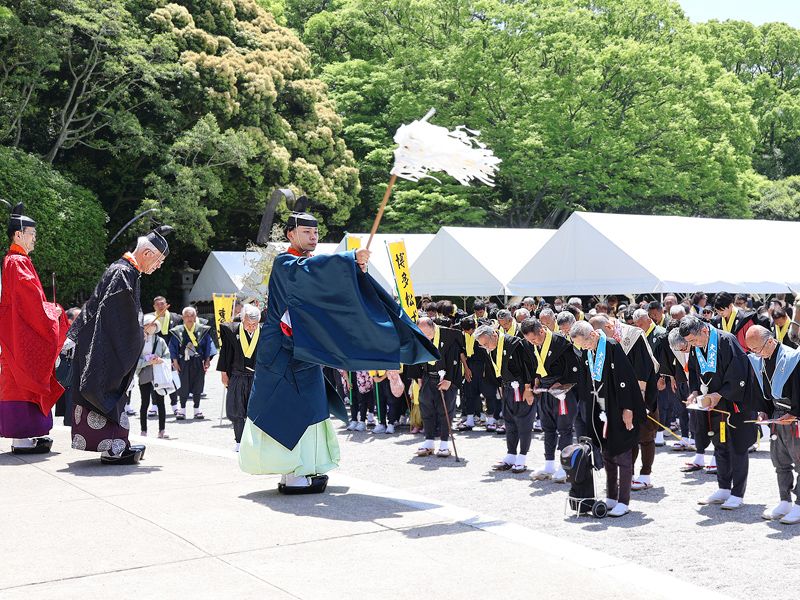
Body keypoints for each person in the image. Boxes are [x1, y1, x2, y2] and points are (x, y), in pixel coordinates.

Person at [238, 205, 436, 494]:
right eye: (307, 232)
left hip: (303, 351)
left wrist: (354, 271)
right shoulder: (285, 263)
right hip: (282, 353)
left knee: (312, 408)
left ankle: (306, 468)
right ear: (291, 234)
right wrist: (349, 259)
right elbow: (312, 272)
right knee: (287, 407)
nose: (313, 237)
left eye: (316, 232)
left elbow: (328, 287)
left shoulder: (307, 264)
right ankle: (291, 474)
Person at [66, 225, 172, 465]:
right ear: (147, 253)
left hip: (104, 345)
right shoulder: (123, 273)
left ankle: (115, 446)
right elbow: (116, 318)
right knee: (109, 393)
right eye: (159, 261)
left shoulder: (124, 270)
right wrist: (138, 332)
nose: (158, 266)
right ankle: (113, 449)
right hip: (105, 348)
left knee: (110, 394)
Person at [0, 202, 68, 454]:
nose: (35, 239)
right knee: (23, 380)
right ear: (18, 235)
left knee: (24, 378)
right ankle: (20, 438)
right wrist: (52, 311)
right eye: (32, 234)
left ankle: (28, 434)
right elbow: (29, 300)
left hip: (17, 330)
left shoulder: (16, 261)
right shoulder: (17, 262)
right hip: (18, 333)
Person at [680, 315, 757, 510]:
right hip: (713, 405)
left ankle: (737, 493)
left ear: (704, 330)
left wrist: (720, 394)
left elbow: (739, 373)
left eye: (694, 340)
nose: (693, 345)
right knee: (720, 444)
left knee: (737, 447)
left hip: (733, 404)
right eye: (690, 342)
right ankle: (723, 488)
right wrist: (694, 391)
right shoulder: (697, 345)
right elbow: (694, 371)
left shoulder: (726, 341)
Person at [570, 321, 645, 518]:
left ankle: (624, 501)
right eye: (580, 345)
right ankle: (611, 496)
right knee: (607, 454)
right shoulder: (588, 352)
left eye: (585, 343)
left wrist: (628, 409)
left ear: (593, 335)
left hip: (617, 406)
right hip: (599, 407)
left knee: (623, 455)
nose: (584, 347)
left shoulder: (611, 346)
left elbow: (625, 379)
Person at [591, 313, 659, 492]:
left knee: (645, 435)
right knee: (628, 437)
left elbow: (643, 368)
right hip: (622, 395)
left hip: (643, 392)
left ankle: (645, 475)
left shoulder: (633, 335)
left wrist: (640, 401)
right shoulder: (605, 341)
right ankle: (629, 474)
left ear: (608, 327)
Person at [745, 325, 800, 524]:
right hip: (777, 416)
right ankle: (784, 501)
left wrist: (794, 412)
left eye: (757, 349)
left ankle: (799, 505)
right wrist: (763, 411)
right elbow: (762, 391)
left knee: (799, 462)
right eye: (751, 350)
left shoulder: (792, 358)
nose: (755, 353)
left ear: (770, 341)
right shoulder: (760, 360)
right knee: (780, 462)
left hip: (794, 417)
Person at [522, 318, 579, 482]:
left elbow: (574, 369)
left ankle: (565, 466)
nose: (532, 342)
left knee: (564, 429)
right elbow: (534, 367)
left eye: (534, 339)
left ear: (541, 330)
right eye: (529, 340)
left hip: (563, 392)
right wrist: (535, 380)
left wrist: (562, 383)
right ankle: (549, 464)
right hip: (545, 391)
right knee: (548, 428)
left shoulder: (561, 343)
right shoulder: (532, 345)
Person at [475, 324, 536, 473]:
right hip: (507, 388)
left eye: (486, 343)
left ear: (494, 335)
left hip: (522, 387)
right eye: (483, 346)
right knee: (509, 422)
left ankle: (522, 457)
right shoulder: (491, 349)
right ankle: (511, 455)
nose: (486, 347)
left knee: (524, 422)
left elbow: (528, 367)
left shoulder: (515, 344)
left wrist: (528, 389)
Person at [414, 317, 463, 457]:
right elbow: (416, 356)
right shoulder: (420, 337)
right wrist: (418, 377)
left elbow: (455, 360)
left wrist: (449, 380)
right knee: (426, 409)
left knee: (445, 410)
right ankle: (429, 440)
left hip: (446, 378)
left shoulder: (449, 336)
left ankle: (444, 443)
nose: (425, 336)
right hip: (428, 377)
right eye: (422, 333)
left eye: (427, 333)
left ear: (433, 327)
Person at [217, 304, 261, 451]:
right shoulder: (231, 331)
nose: (251, 327)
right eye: (248, 324)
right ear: (242, 320)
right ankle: (239, 442)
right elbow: (225, 353)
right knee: (237, 409)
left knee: (256, 410)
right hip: (237, 375)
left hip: (256, 377)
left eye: (254, 324)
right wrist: (224, 373)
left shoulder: (263, 332)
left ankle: (254, 442)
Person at [169, 306, 216, 420]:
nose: (189, 318)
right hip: (183, 362)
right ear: (183, 317)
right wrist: (175, 361)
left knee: (198, 384)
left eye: (191, 316)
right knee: (183, 385)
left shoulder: (202, 330)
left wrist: (207, 360)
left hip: (198, 361)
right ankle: (182, 410)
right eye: (186, 316)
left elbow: (208, 345)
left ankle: (197, 409)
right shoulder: (177, 330)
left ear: (195, 317)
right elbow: (173, 347)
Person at [136, 314, 172, 439]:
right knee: (145, 402)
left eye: (153, 325)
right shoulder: (139, 341)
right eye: (148, 324)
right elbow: (135, 360)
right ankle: (143, 430)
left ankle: (162, 430)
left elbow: (167, 356)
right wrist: (147, 362)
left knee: (160, 402)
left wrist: (160, 360)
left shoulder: (160, 341)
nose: (151, 327)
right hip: (145, 374)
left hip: (158, 373)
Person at [149, 296, 182, 415]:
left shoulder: (176, 318)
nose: (160, 306)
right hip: (154, 353)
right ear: (154, 307)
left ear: (166, 304)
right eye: (157, 304)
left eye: (162, 304)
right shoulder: (149, 319)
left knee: (171, 378)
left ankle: (175, 406)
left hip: (171, 353)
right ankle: (154, 405)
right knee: (154, 379)